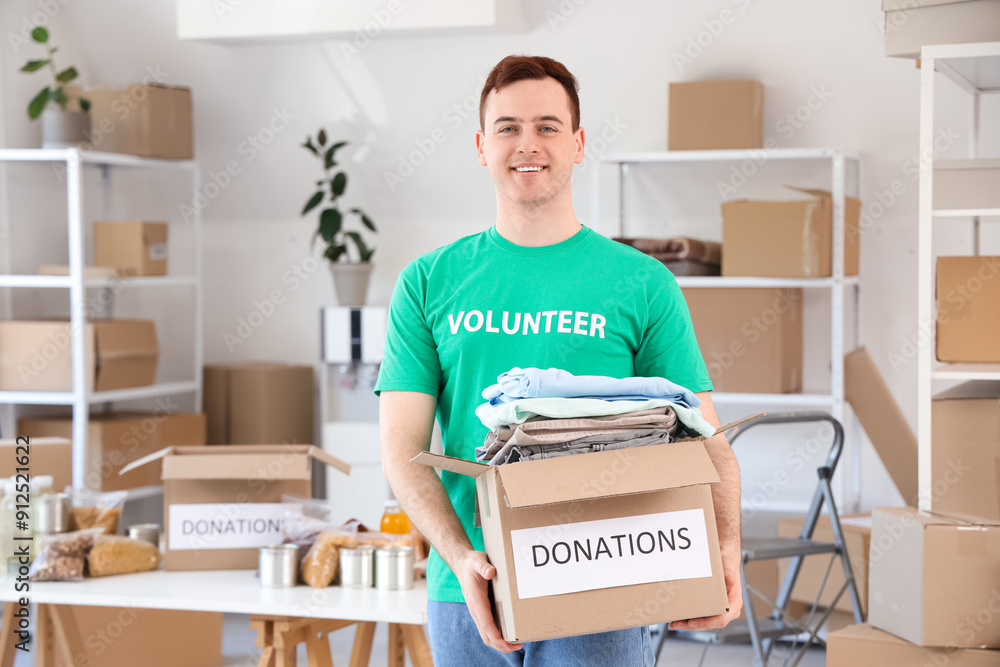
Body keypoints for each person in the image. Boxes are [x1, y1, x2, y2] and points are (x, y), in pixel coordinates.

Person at [375, 54, 743, 666]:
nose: (528, 144)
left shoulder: (642, 282)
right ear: (481, 145)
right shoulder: (428, 282)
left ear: (576, 144)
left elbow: (706, 436)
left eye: (548, 126)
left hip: (603, 577)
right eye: (508, 127)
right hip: (470, 587)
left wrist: (726, 548)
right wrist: (461, 558)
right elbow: (401, 450)